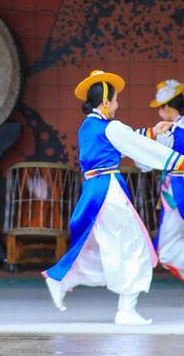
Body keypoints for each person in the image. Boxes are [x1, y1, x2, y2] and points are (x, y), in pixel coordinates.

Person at [43, 70, 184, 325]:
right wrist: (177, 161)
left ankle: (61, 278)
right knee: (134, 244)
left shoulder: (89, 126)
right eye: (116, 100)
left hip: (96, 188)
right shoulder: (110, 127)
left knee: (102, 244)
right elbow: (132, 143)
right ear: (106, 102)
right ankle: (126, 310)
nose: (118, 105)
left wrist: (152, 131)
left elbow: (125, 138)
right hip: (109, 190)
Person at [136, 79, 184, 280]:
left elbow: (146, 163)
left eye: (160, 108)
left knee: (167, 249)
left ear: (167, 107)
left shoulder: (169, 132)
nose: (159, 112)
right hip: (175, 188)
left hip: (178, 189)